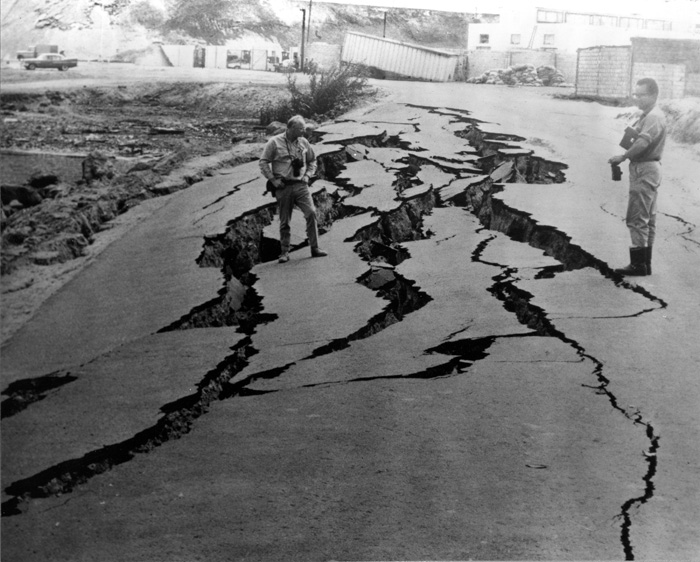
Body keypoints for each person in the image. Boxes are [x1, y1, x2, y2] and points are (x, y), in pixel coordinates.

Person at [608, 77, 666, 276]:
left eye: (641, 95)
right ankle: (645, 264)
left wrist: (623, 156)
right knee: (647, 218)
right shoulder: (648, 115)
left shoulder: (653, 117)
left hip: (644, 168)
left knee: (636, 217)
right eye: (636, 94)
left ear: (654, 95)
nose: (637, 98)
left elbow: (642, 143)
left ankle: (638, 265)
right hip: (648, 168)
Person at [259, 115, 328, 263]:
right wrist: (273, 180)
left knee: (311, 213)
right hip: (283, 187)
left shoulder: (303, 142)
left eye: (304, 128)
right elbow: (263, 162)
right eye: (300, 128)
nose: (304, 131)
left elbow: (312, 160)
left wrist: (308, 175)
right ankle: (284, 252)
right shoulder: (274, 142)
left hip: (301, 185)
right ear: (290, 128)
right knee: (285, 221)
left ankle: (315, 248)